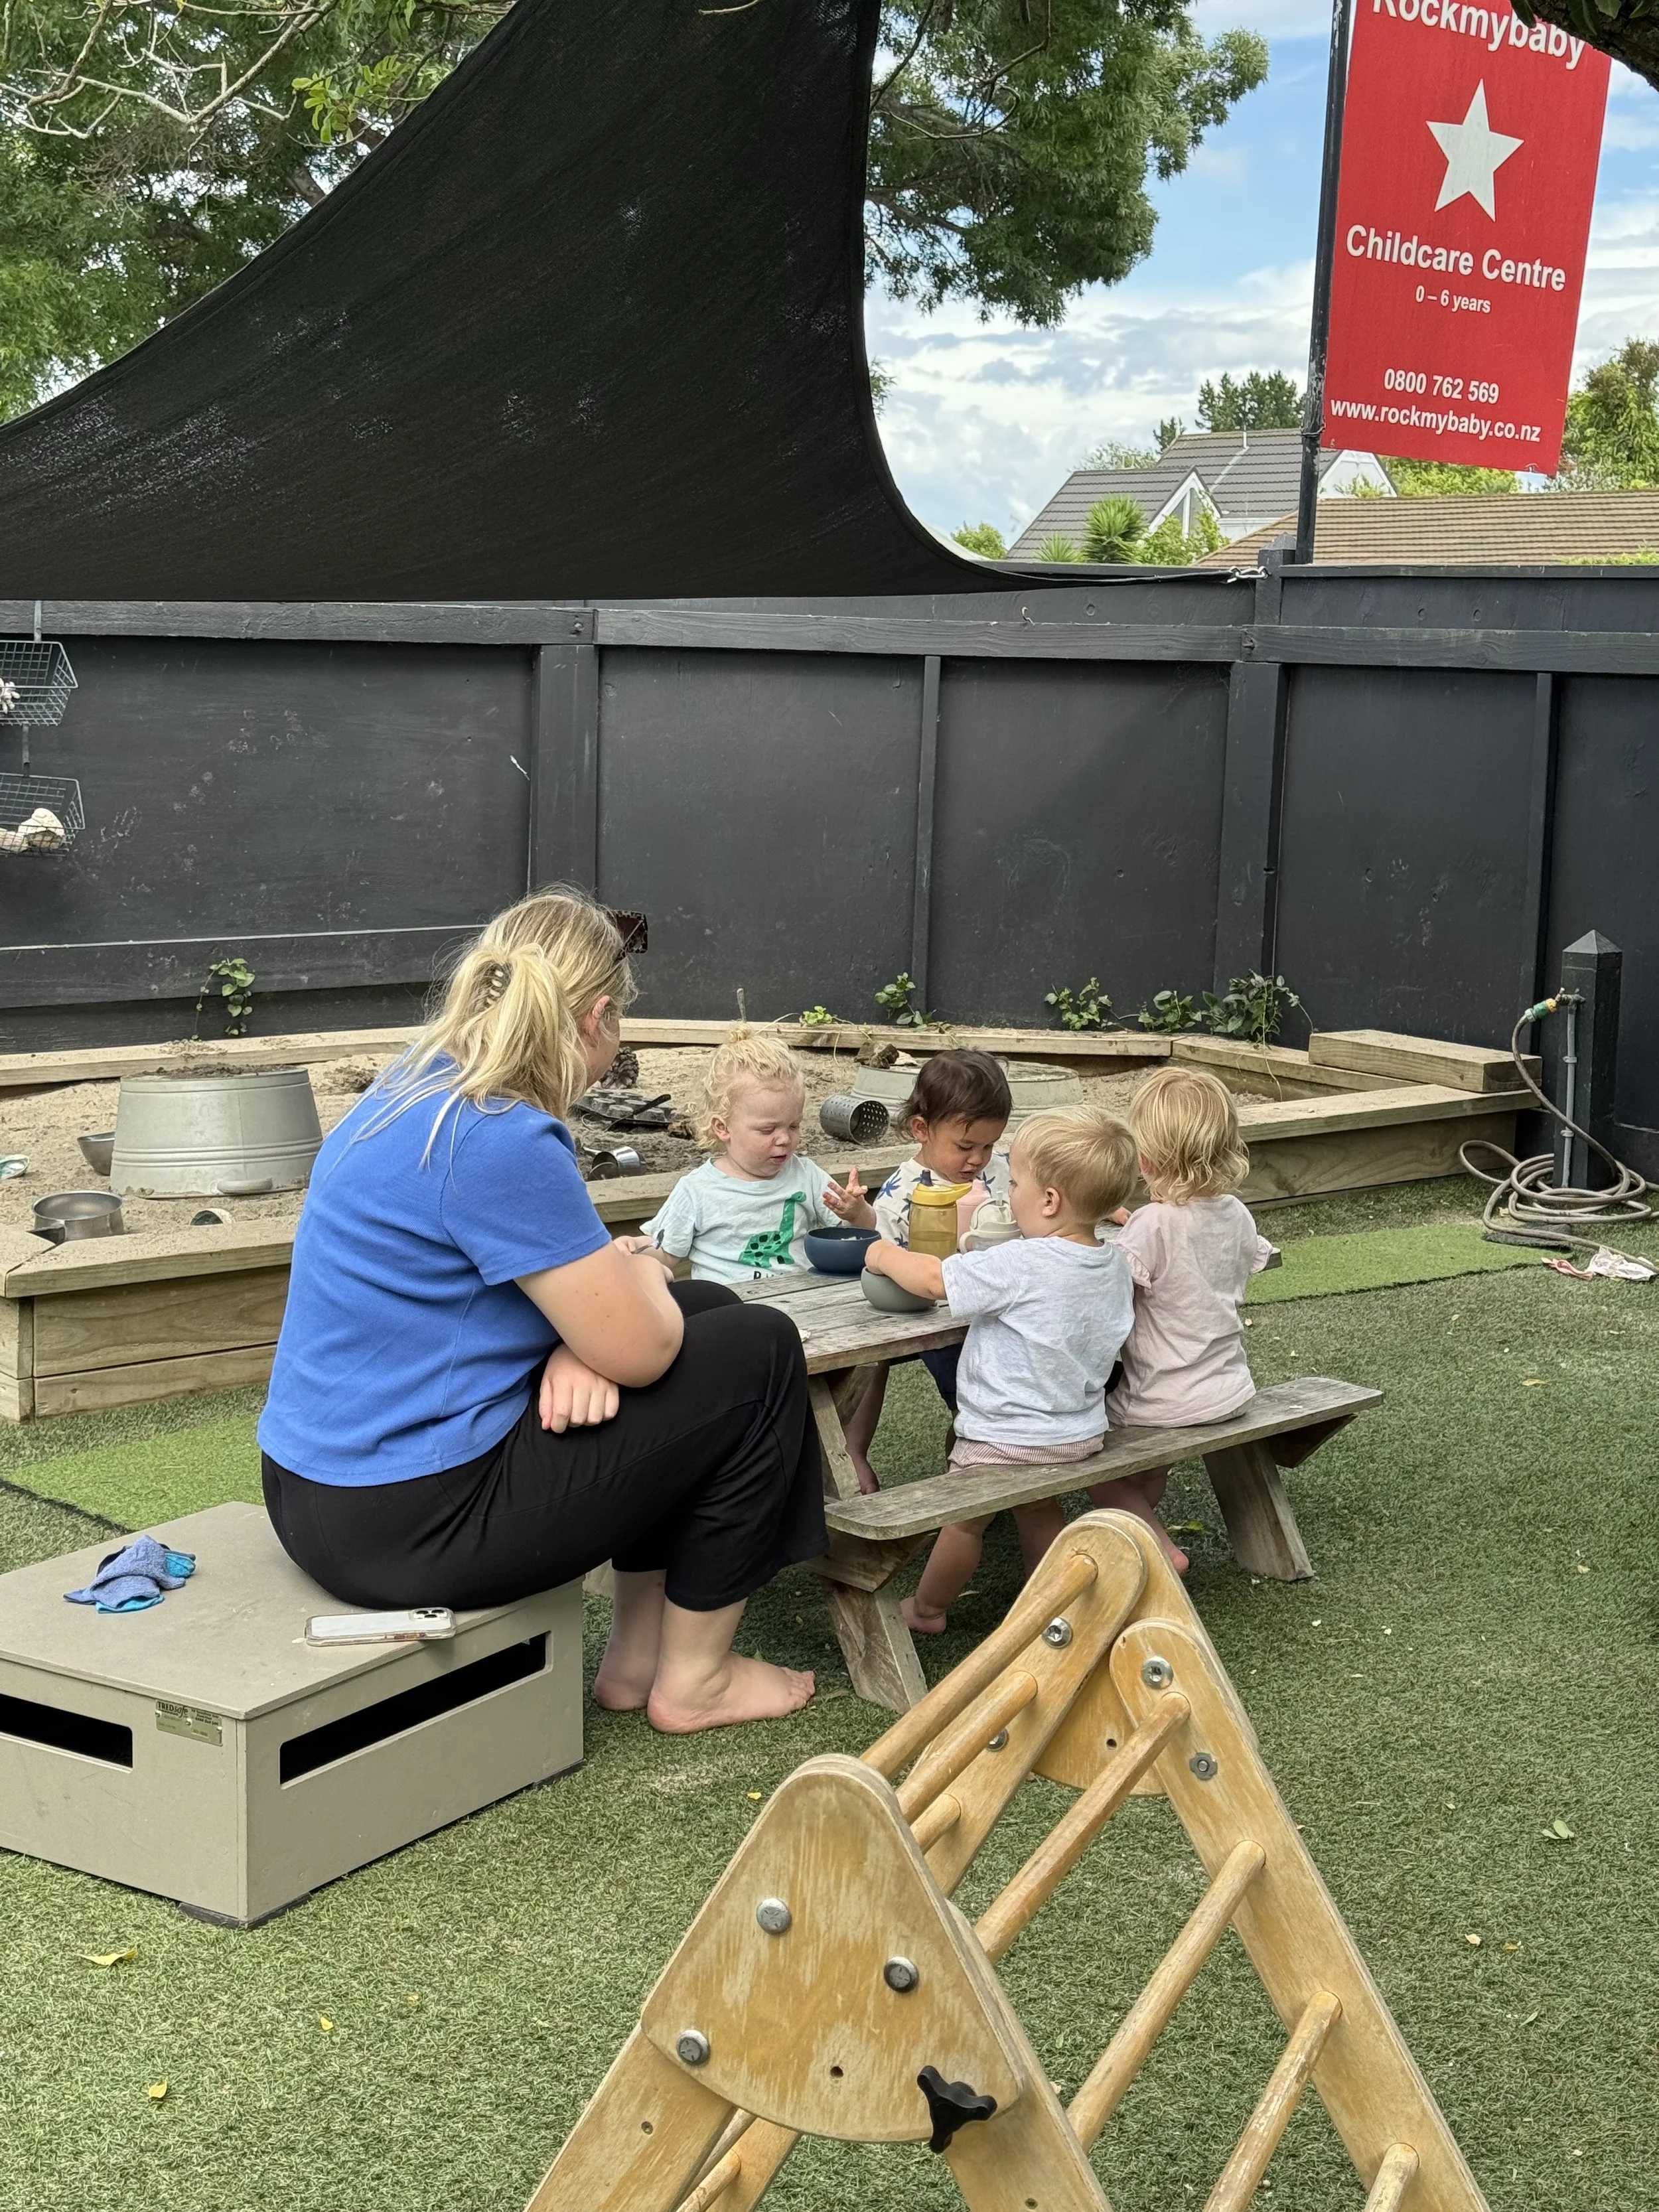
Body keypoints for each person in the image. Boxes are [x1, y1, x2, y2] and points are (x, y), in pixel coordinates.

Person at [257, 891, 822, 1733]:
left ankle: (636, 1657)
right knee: (762, 1349)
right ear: (597, 1017)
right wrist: (601, 1335)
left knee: (706, 1302)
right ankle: (696, 1681)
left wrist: (579, 1343)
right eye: (620, 1023)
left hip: (312, 1494)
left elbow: (528, 1297)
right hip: (407, 1524)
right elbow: (640, 1349)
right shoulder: (498, 1134)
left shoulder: (413, 1082)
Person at [861, 1104, 1138, 1635]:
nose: (1006, 1193)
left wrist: (881, 1253)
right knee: (1038, 1508)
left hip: (1006, 1435)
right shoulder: (1111, 1261)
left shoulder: (1023, 1261)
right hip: (1077, 1430)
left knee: (964, 1524)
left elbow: (936, 1281)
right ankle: (1052, 1603)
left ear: (1050, 1200)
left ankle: (927, 1609)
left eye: (1014, 1183)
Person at [1087, 1066, 1275, 1574]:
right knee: (1144, 1464)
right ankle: (1144, 1520)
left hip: (1161, 1397)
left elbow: (1105, 1297)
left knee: (1087, 1462)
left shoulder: (1154, 1223)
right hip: (1228, 1388)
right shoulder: (1236, 1212)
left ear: (1143, 1161)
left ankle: (1157, 1544)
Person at [841, 1051, 1013, 1493]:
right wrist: (862, 1219)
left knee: (996, 1396)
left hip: (997, 1308)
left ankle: (976, 1472)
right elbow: (876, 1250)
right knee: (967, 1396)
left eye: (989, 1145)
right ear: (921, 1129)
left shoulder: (1002, 1171)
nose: (979, 1158)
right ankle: (859, 1453)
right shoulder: (904, 1191)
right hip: (933, 1312)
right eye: (965, 1146)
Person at [638, 1027, 873, 1281]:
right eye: (767, 1130)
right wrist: (633, 1252)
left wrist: (856, 1212)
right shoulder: (696, 1191)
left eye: (793, 1125)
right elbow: (664, 1254)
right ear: (723, 1128)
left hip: (801, 1300)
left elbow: (860, 1233)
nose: (785, 1139)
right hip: (728, 1307)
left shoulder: (807, 1176)